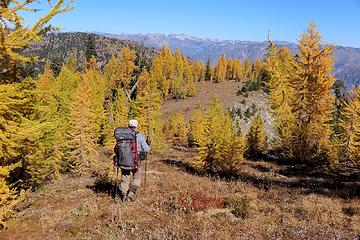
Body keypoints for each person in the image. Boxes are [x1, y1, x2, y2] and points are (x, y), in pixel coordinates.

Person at [115, 119, 150, 202]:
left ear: (128, 125)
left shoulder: (122, 136)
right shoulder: (140, 136)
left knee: (125, 179)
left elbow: (116, 149)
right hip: (135, 162)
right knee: (137, 179)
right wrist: (148, 144)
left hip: (123, 162)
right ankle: (130, 195)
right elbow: (147, 149)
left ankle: (123, 195)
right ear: (136, 126)